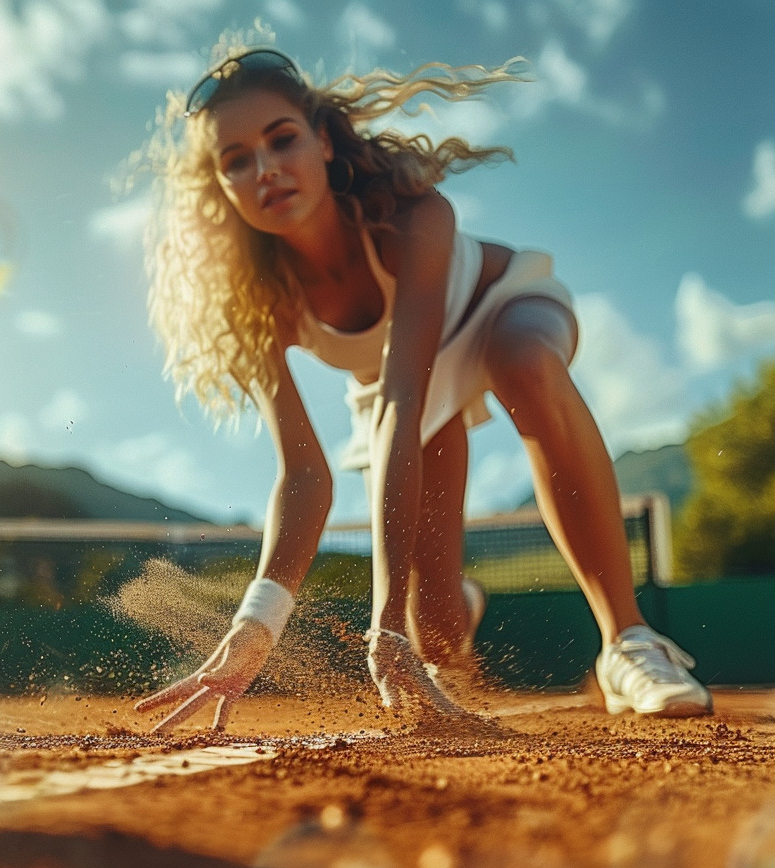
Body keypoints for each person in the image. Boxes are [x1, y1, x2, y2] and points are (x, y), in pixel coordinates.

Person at [132, 42, 713, 732]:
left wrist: (382, 626)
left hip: (493, 310)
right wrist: (258, 622)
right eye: (236, 161)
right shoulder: (258, 298)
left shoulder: (413, 215)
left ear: (322, 140)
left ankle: (628, 641)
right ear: (223, 187)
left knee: (523, 362)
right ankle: (453, 606)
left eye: (281, 140)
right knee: (433, 638)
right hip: (401, 388)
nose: (265, 169)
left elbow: (404, 398)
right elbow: (304, 474)